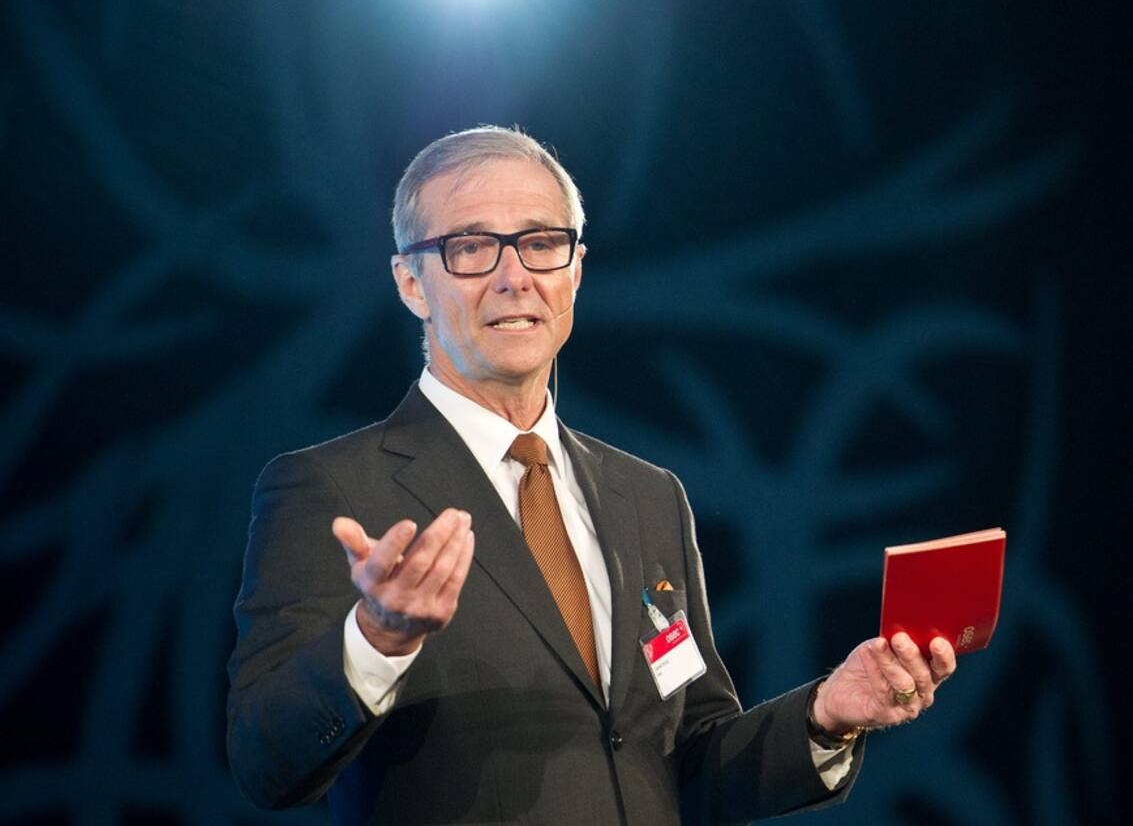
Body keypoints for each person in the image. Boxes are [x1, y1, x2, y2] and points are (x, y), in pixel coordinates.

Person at [226, 126, 956, 825]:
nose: (514, 277)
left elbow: (689, 761)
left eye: (541, 243)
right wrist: (375, 640)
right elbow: (265, 762)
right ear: (411, 282)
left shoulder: (649, 496)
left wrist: (826, 714)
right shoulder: (329, 490)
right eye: (471, 247)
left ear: (574, 270)